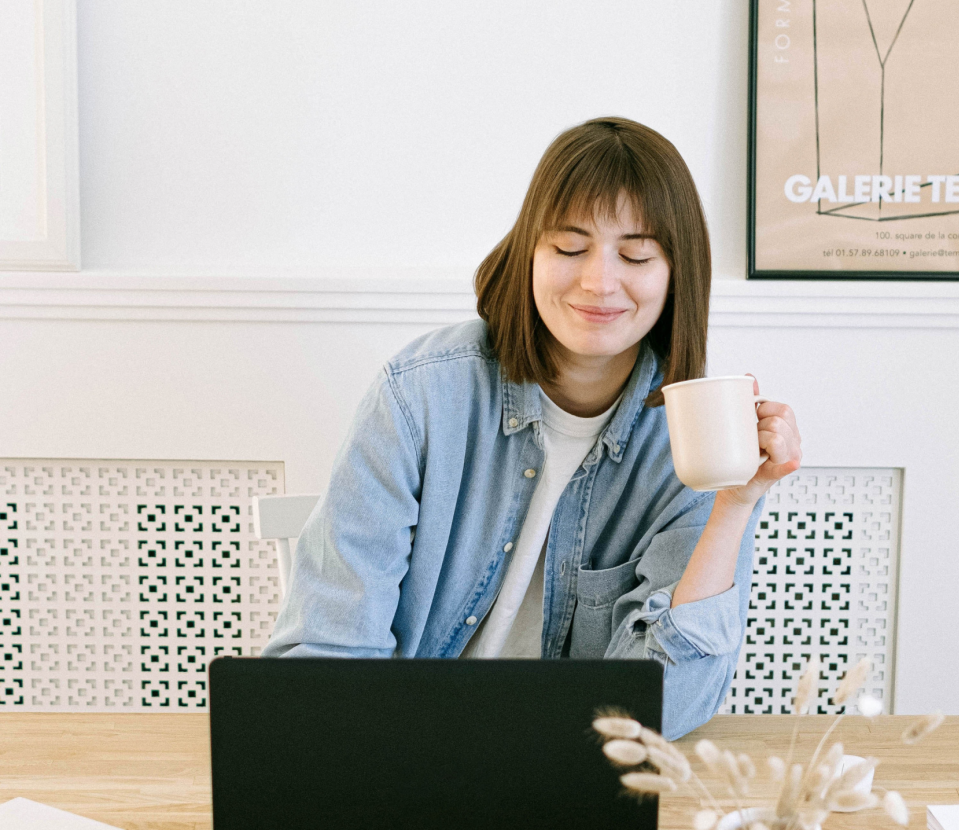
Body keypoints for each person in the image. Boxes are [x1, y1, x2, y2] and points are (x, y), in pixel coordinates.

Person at [263, 116, 802, 738]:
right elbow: (326, 657)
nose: (599, 282)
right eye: (569, 248)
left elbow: (663, 709)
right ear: (528, 253)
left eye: (635, 254)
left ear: (677, 272)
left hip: (570, 769)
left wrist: (734, 504)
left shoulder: (700, 435)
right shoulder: (421, 393)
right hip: (403, 749)